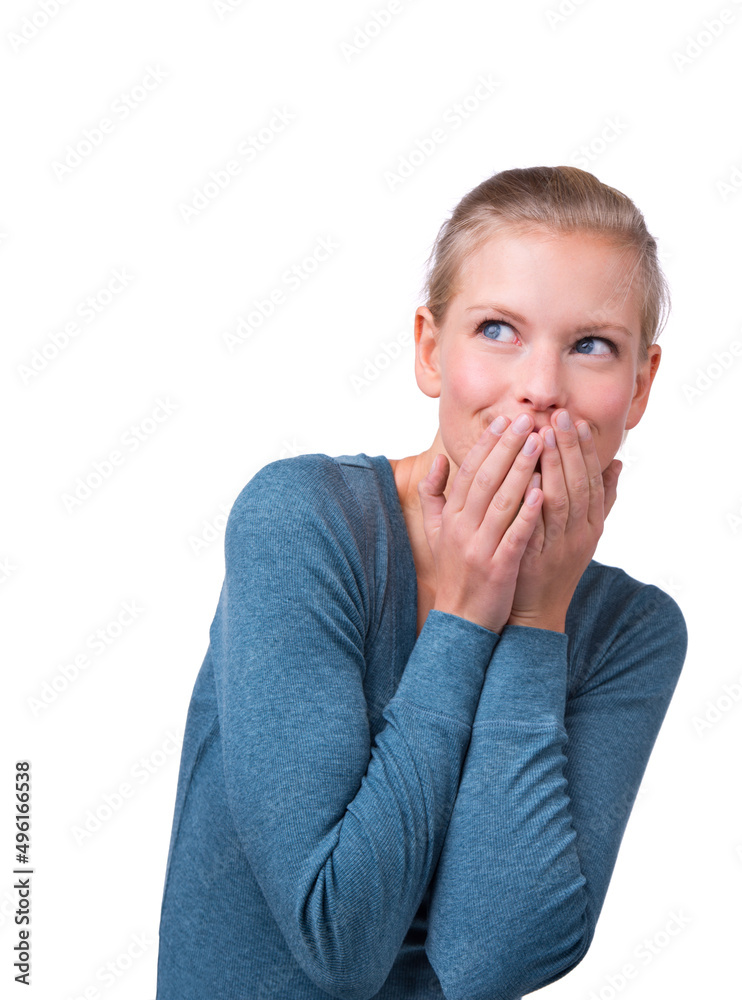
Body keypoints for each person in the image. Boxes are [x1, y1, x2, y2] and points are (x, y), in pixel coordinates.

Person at [154, 165, 687, 1000]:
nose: (541, 389)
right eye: (498, 330)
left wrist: (539, 616)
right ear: (430, 350)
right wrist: (471, 615)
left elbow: (488, 963)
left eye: (591, 346)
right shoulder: (305, 524)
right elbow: (338, 938)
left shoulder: (633, 631)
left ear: (641, 384)